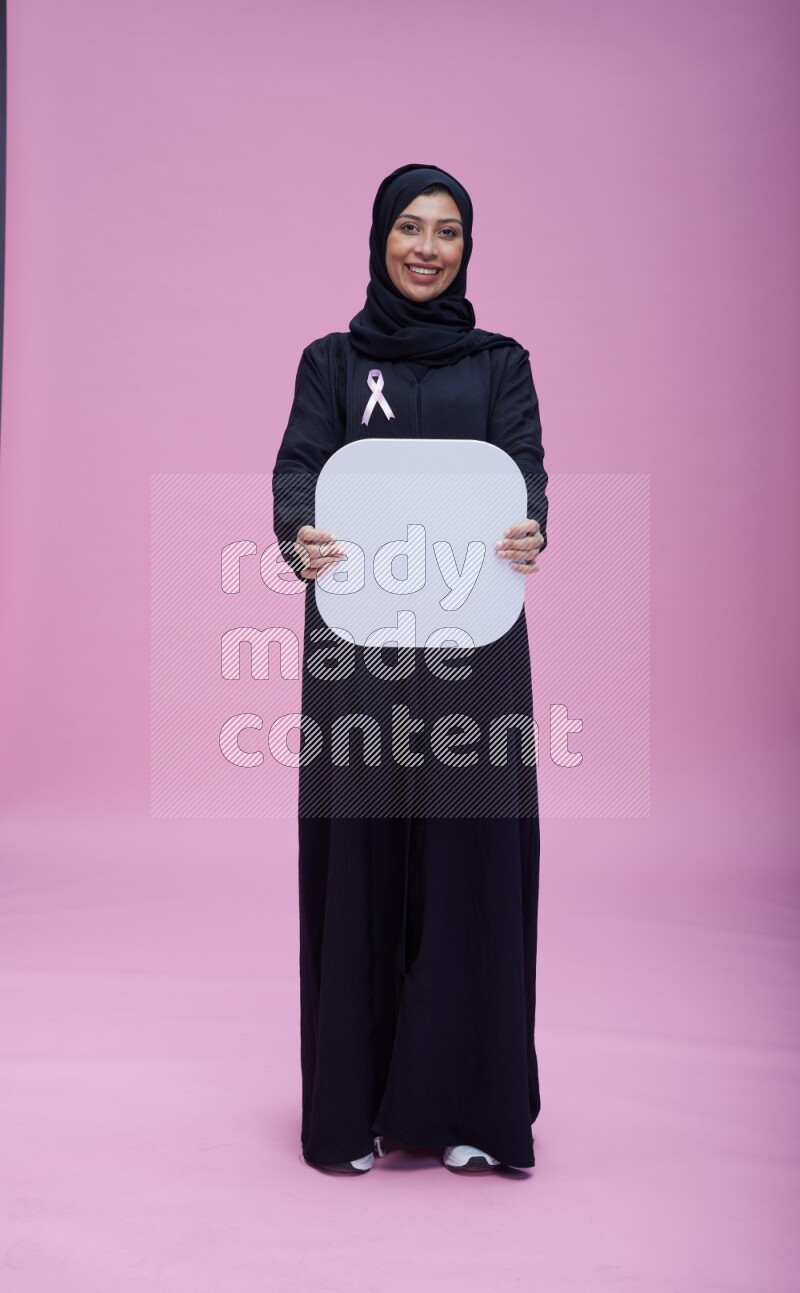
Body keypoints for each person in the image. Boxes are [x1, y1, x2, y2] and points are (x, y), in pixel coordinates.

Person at [272, 163, 549, 1176]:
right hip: (358, 646)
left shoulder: (501, 362)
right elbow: (300, 464)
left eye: (447, 232)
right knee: (361, 857)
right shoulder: (332, 361)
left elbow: (523, 468)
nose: (426, 248)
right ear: (378, 237)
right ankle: (350, 1111)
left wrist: (530, 529)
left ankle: (473, 1109)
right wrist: (299, 530)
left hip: (473, 644)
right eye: (408, 228)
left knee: (472, 861)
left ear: (468, 248)